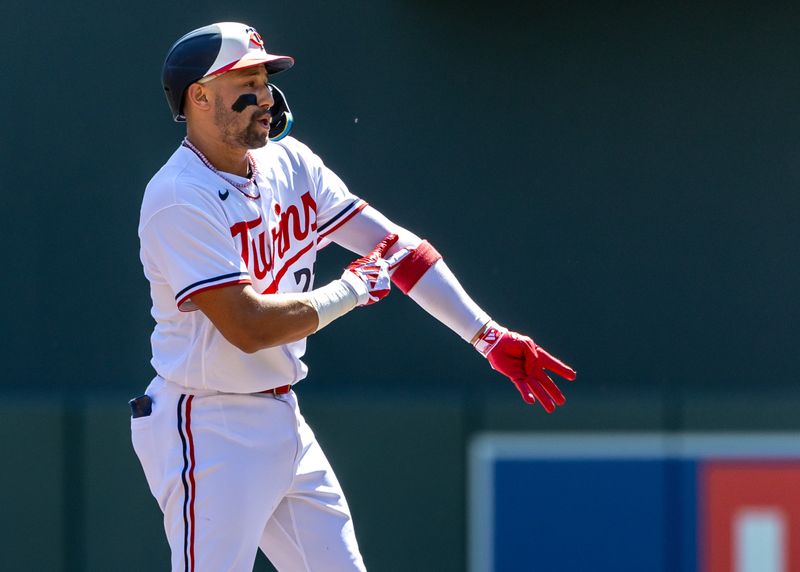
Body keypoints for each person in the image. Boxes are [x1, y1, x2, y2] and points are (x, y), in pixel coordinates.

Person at [132, 21, 577, 572]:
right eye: (245, 80)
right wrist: (349, 290)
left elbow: (400, 250)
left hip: (282, 413)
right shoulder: (179, 196)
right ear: (199, 96)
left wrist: (486, 336)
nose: (265, 95)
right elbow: (248, 328)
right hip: (207, 422)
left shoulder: (290, 163)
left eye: (267, 78)